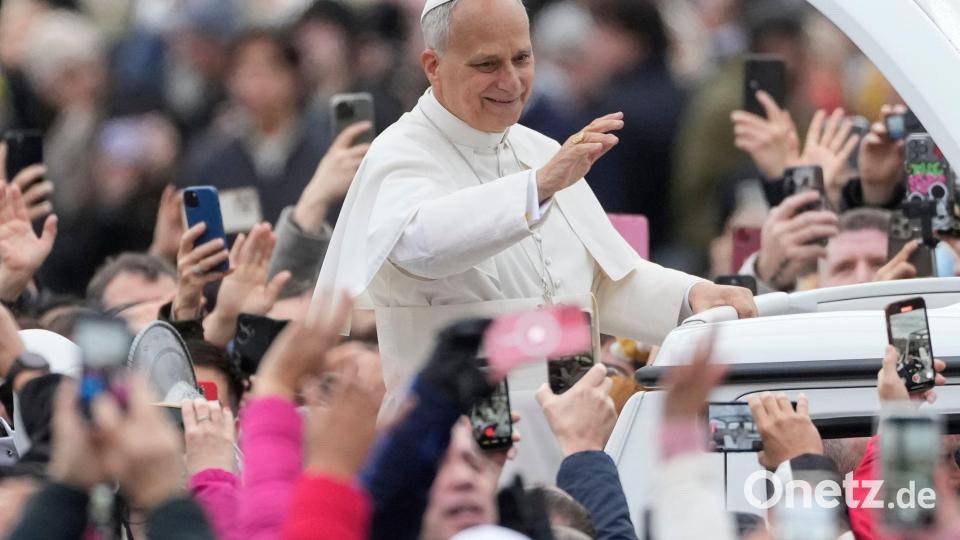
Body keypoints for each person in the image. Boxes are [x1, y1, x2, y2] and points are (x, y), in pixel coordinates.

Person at [315, 0, 756, 483]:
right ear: (433, 66)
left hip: (570, 430)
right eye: (488, 64)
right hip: (460, 448)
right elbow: (420, 244)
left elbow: (603, 282)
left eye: (521, 59)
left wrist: (692, 296)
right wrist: (538, 187)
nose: (511, 80)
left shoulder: (539, 151)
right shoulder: (400, 153)